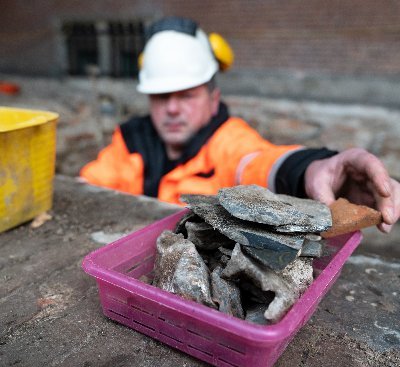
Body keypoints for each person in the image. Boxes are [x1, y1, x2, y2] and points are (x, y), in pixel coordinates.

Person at [80, 17, 400, 233]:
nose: (173, 108)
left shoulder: (228, 139)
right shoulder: (131, 138)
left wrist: (309, 171)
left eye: (187, 95)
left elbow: (258, 162)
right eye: (162, 96)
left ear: (213, 98)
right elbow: (91, 187)